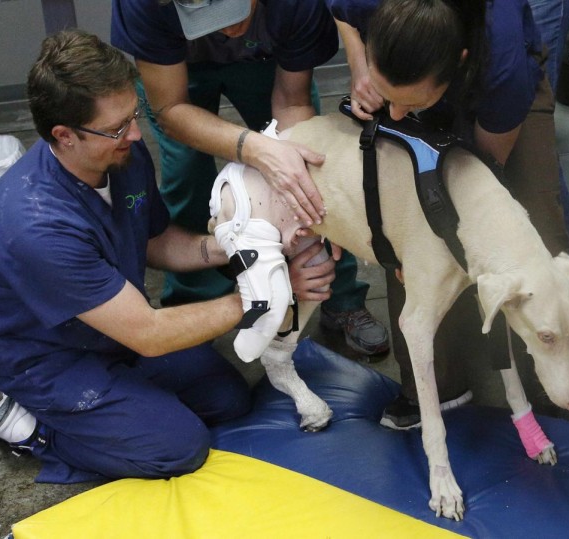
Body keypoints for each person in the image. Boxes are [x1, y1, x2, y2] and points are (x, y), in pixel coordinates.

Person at [0, 29, 337, 484]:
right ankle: (33, 426)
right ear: (63, 135)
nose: (136, 133)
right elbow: (149, 335)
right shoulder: (34, 224)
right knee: (177, 447)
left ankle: (118, 405)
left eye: (134, 114)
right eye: (118, 127)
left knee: (228, 398)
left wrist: (250, 245)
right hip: (47, 358)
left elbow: (154, 242)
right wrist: (272, 293)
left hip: (109, 330)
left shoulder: (121, 155)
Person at [327, 0, 569, 427]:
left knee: (536, 230)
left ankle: (559, 389)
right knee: (407, 229)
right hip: (413, 65)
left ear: (459, 63)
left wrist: (454, 240)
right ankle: (440, 385)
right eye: (390, 100)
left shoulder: (503, 63)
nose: (394, 115)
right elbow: (342, 12)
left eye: (408, 102)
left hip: (498, 91)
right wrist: (363, 67)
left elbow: (484, 182)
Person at [110, 0, 390, 356]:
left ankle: (339, 295)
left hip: (264, 60)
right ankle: (193, 307)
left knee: (309, 172)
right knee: (186, 176)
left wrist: (291, 176)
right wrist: (254, 148)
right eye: (209, 17)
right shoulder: (146, 5)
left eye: (231, 11)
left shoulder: (294, 5)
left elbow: (292, 103)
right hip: (177, 69)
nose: (226, 30)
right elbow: (171, 109)